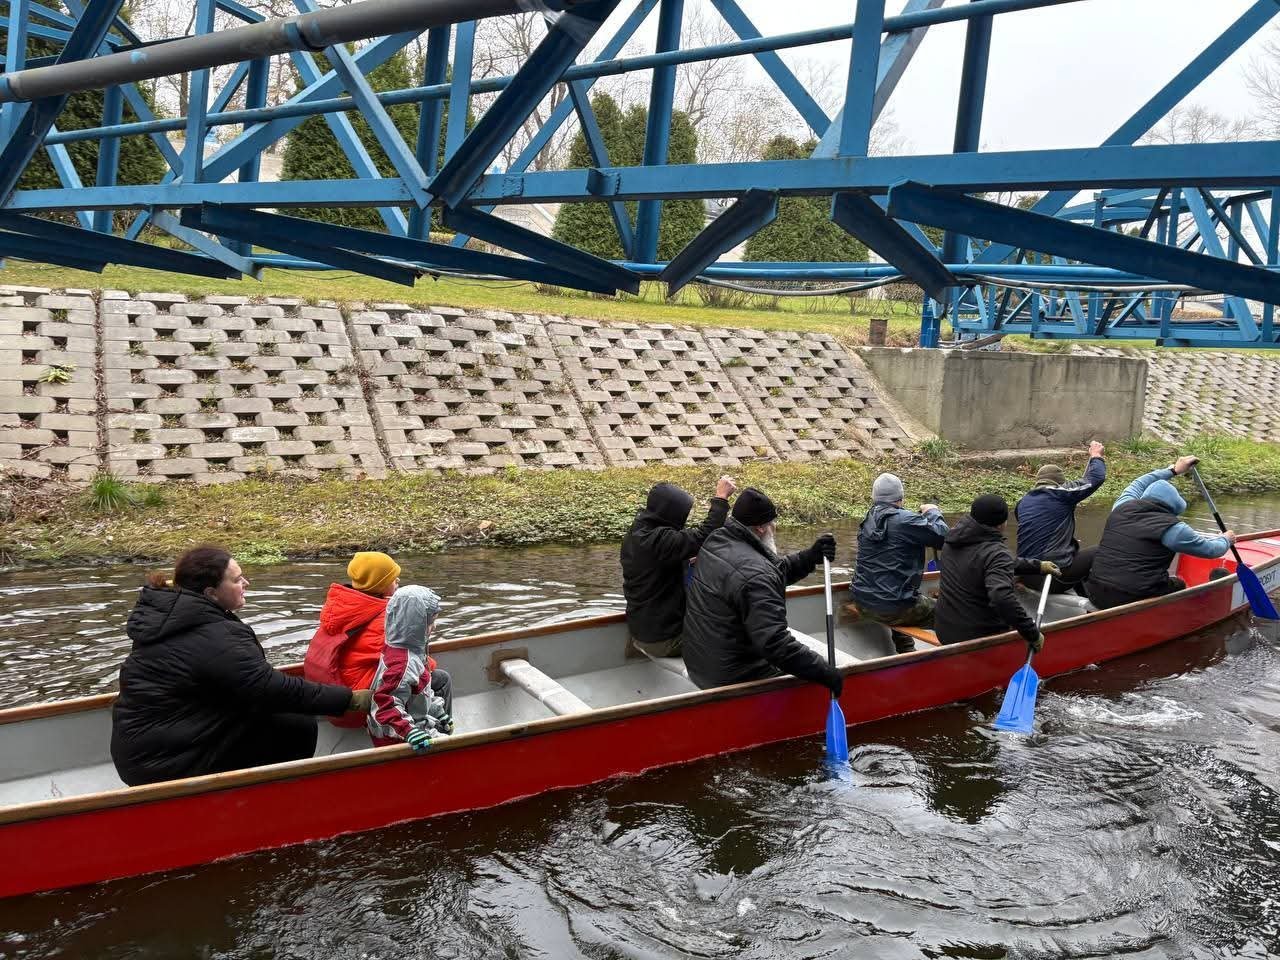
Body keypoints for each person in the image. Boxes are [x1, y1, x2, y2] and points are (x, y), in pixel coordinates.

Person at [111, 545, 370, 787]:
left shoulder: (174, 618)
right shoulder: (212, 634)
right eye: (236, 580)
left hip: (145, 751)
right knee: (294, 724)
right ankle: (273, 797)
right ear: (211, 593)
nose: (245, 583)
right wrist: (352, 700)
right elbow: (271, 689)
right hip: (160, 764)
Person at [681, 486, 843, 695]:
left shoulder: (717, 540)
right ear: (760, 528)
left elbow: (768, 573)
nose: (774, 527)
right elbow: (775, 644)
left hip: (701, 663)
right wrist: (826, 673)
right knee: (810, 678)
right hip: (731, 677)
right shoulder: (756, 573)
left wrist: (811, 556)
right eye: (772, 523)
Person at [303, 551, 450, 729]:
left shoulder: (340, 606)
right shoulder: (387, 618)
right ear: (379, 584)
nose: (398, 581)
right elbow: (413, 664)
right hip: (357, 703)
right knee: (439, 679)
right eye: (393, 578)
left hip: (330, 699)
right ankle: (441, 735)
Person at [1084, 455, 1234, 610]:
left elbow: (1138, 483)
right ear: (1173, 508)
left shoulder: (1121, 507)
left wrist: (1173, 470)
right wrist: (1226, 539)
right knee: (1179, 584)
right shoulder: (1174, 529)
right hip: (1133, 596)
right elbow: (1211, 550)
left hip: (1096, 591)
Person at [621, 475, 736, 657]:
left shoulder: (639, 531)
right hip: (664, 640)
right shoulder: (658, 539)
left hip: (642, 631)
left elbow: (656, 564)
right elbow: (704, 535)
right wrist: (721, 498)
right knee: (734, 632)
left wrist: (684, 560)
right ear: (670, 512)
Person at [934, 494, 1061, 648]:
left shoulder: (952, 539)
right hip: (977, 637)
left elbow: (993, 562)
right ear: (1002, 523)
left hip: (944, 631)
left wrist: (1037, 566)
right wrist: (1032, 633)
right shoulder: (996, 553)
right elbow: (1002, 598)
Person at [849, 472, 948, 651]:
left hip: (862, 601)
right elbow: (944, 538)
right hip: (893, 607)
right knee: (951, 614)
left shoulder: (868, 518)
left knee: (894, 595)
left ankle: (906, 652)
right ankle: (960, 655)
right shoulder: (906, 520)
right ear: (900, 497)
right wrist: (933, 512)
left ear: (875, 497)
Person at [368, 585, 454, 751]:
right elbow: (385, 705)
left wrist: (437, 711)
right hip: (401, 739)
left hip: (411, 724)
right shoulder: (403, 663)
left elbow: (422, 690)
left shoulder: (406, 649)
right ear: (416, 625)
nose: (434, 627)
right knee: (457, 750)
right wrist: (408, 731)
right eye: (431, 622)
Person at [1015, 441, 1107, 595]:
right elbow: (1096, 477)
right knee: (1103, 550)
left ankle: (1083, 596)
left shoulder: (1023, 502)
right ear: (1060, 483)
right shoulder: (1060, 494)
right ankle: (1102, 598)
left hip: (1025, 573)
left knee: (1074, 550)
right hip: (1051, 578)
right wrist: (1096, 455)